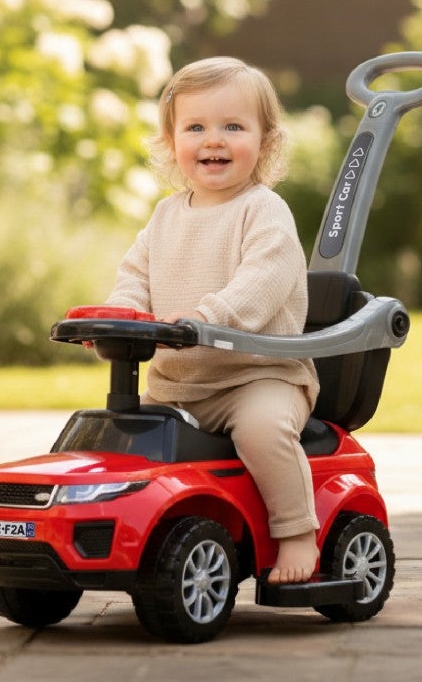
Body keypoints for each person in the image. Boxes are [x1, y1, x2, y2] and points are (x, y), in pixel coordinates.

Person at [105, 56, 320, 580]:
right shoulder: (165, 216)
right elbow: (136, 274)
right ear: (171, 141)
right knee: (122, 439)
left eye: (233, 127)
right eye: (196, 127)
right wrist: (122, 314)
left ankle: (297, 534)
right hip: (179, 384)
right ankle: (134, 536)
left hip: (257, 377)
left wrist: (208, 317)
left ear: (265, 142)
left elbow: (261, 284)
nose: (213, 140)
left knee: (263, 432)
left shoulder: (264, 211)